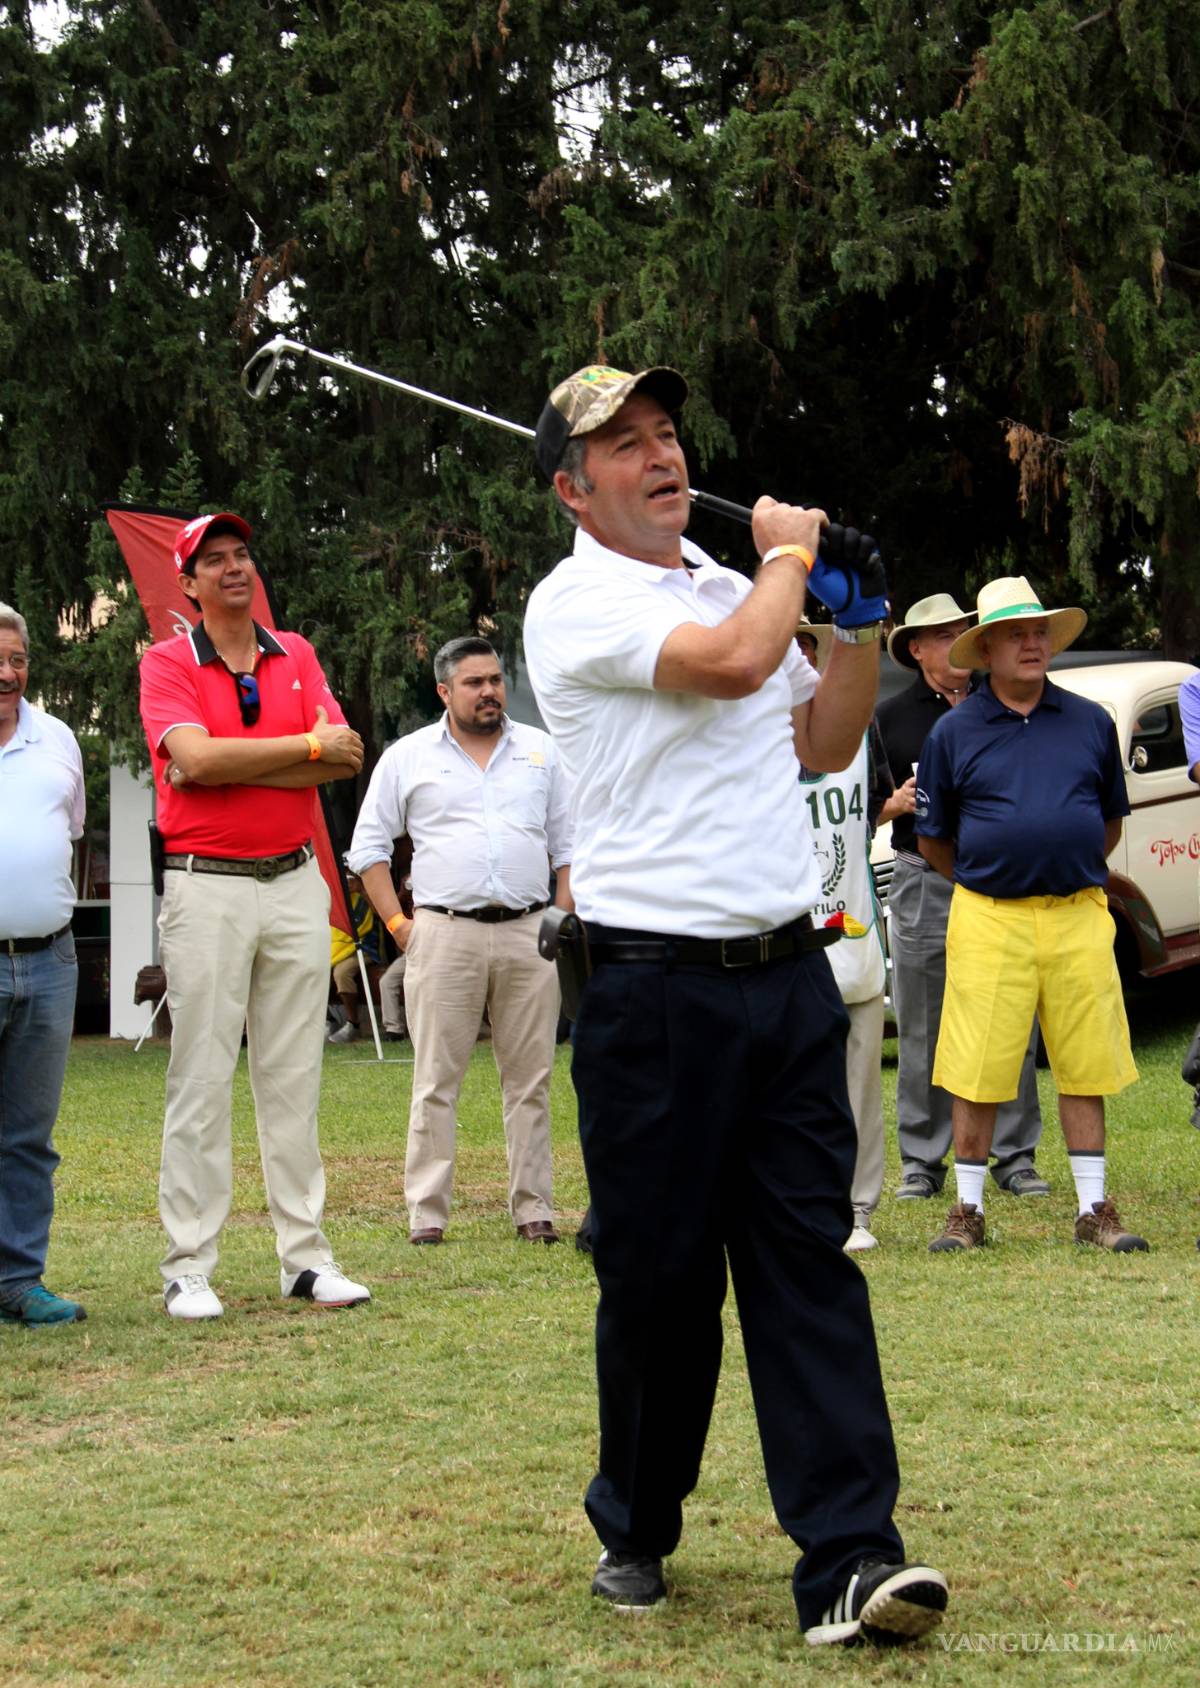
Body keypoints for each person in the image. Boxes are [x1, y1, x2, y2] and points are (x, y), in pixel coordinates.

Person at [523, 363, 947, 1646]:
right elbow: (729, 665)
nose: (659, 456)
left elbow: (822, 742)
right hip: (651, 992)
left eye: (665, 434)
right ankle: (637, 1521)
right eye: (623, 445)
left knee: (804, 1261)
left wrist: (859, 624)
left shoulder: (724, 582)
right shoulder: (575, 602)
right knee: (657, 1283)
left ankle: (851, 1556)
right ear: (573, 489)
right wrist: (785, 563)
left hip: (784, 978)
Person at [138, 512, 372, 1319]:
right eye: (216, 560)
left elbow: (345, 753)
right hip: (206, 885)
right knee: (200, 1076)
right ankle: (187, 1267)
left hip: (294, 882)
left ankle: (304, 1259)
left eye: (243, 555)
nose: (235, 568)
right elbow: (194, 762)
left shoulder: (295, 652)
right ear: (190, 583)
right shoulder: (167, 661)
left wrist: (269, 761)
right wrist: (298, 753)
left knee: (293, 1075)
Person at [915, 576, 1145, 1254]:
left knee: (1086, 1062)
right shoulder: (953, 732)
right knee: (976, 1064)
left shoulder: (1090, 722)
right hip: (989, 917)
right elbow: (933, 841)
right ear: (986, 649)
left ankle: (1093, 1208)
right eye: (1017, 633)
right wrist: (995, 880)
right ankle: (966, 1212)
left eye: (1040, 630)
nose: (1033, 642)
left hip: (1077, 912)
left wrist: (1054, 865)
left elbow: (1107, 823)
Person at [347, 636, 573, 1246]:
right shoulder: (409, 757)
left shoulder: (541, 753)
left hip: (531, 933)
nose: (490, 691)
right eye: (474, 683)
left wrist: (559, 918)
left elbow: (572, 846)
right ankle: (428, 1213)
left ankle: (534, 1209)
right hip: (443, 934)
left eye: (495, 679)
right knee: (435, 1080)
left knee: (530, 1081)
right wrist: (400, 928)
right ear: (444, 691)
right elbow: (367, 849)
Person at [877, 594, 1045, 1199]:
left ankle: (1016, 1155)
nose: (955, 643)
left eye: (960, 632)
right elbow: (865, 806)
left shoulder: (1001, 703)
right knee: (922, 1024)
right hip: (923, 876)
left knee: (1011, 1017)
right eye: (940, 635)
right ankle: (922, 1161)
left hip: (997, 879)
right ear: (915, 649)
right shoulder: (889, 717)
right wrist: (893, 802)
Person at [0, 603, 87, 1327]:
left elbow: (72, 829)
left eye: (17, 659)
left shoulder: (57, 739)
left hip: (49, 961)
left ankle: (18, 1282)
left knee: (28, 1135)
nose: (7, 672)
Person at [795, 620, 891, 1253]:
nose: (796, 663)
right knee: (785, 1090)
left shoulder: (859, 733)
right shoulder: (738, 743)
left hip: (850, 933)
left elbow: (877, 804)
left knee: (859, 1084)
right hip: (775, 950)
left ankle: (857, 1208)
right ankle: (796, 1203)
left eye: (805, 651)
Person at [328, 868, 386, 1044]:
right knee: (312, 970)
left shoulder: (368, 890)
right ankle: (326, 1020)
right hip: (337, 947)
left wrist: (361, 889)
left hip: (365, 947)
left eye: (349, 876)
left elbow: (381, 913)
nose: (347, 880)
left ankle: (352, 1023)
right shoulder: (335, 896)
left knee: (341, 972)